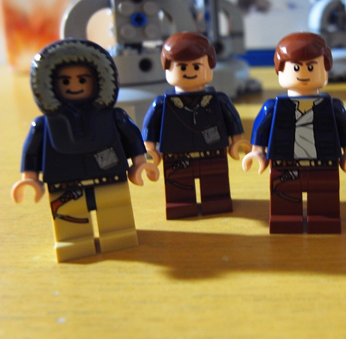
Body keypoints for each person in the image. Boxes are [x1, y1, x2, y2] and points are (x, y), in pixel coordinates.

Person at [12, 39, 159, 262]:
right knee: (71, 217)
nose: (74, 85)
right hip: (64, 182)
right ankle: (74, 241)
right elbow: (32, 151)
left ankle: (118, 234)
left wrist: (139, 163)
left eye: (82, 79)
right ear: (50, 84)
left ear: (99, 80)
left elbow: (131, 137)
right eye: (65, 81)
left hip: (110, 177)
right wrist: (30, 178)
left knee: (114, 211)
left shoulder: (113, 115)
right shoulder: (44, 125)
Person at [242, 32, 346, 233]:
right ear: (280, 71)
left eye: (311, 67)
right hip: (285, 163)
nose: (303, 72)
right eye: (296, 67)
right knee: (284, 196)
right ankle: (285, 219)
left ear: (325, 69)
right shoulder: (273, 107)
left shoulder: (333, 106)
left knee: (324, 195)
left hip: (324, 163)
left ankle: (324, 220)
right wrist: (257, 152)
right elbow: (261, 128)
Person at [143, 32, 249, 219]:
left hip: (213, 153)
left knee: (215, 183)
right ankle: (180, 203)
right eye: (182, 67)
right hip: (176, 155)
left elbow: (232, 120)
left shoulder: (219, 99)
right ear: (167, 69)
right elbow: (150, 126)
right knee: (179, 185)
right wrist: (149, 148)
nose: (189, 71)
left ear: (209, 67)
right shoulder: (162, 103)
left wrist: (237, 141)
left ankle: (216, 200)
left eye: (197, 66)